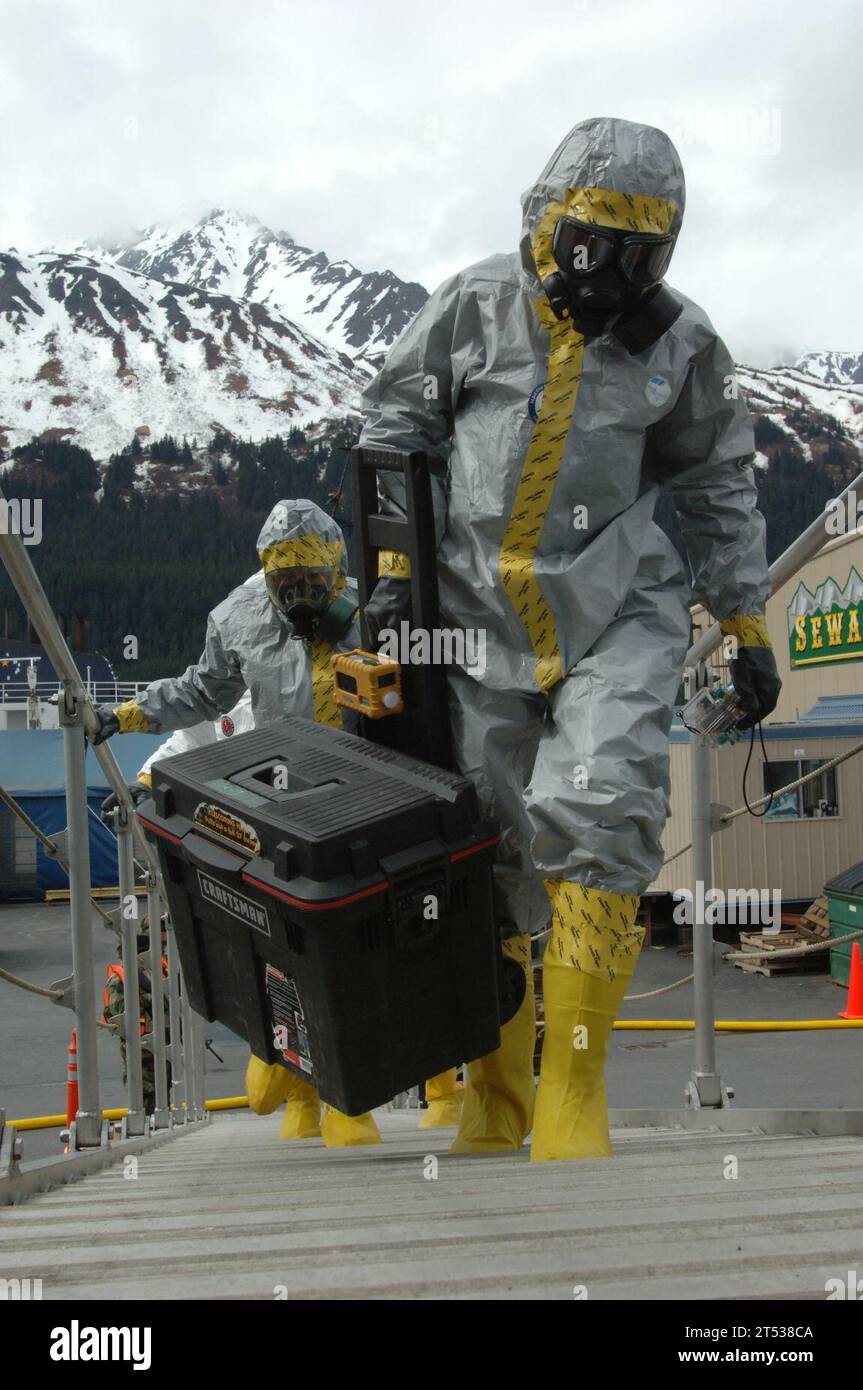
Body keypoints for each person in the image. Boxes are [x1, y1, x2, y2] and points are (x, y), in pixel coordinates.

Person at [360, 116, 781, 1162]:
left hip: (618, 610)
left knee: (595, 805)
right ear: (548, 222)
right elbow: (392, 429)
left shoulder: (678, 343)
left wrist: (741, 618)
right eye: (596, 243)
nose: (614, 274)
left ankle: (572, 1092)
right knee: (490, 846)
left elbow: (716, 479)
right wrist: (395, 583)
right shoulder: (471, 307)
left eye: (642, 253)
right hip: (472, 623)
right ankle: (497, 1098)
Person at [92, 498, 463, 1139]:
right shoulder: (237, 619)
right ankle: (311, 1095)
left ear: (336, 571)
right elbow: (200, 691)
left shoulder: (377, 605)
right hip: (288, 801)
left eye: (314, 583)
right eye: (285, 584)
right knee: (295, 941)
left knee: (405, 927)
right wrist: (123, 717)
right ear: (265, 576)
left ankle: (441, 1089)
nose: (300, 595)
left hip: (378, 790)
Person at [102, 918, 169, 1115]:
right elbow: (120, 1011)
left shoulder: (155, 973)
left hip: (161, 1045)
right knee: (144, 1097)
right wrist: (150, 998)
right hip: (139, 1049)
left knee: (163, 1092)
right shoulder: (118, 980)